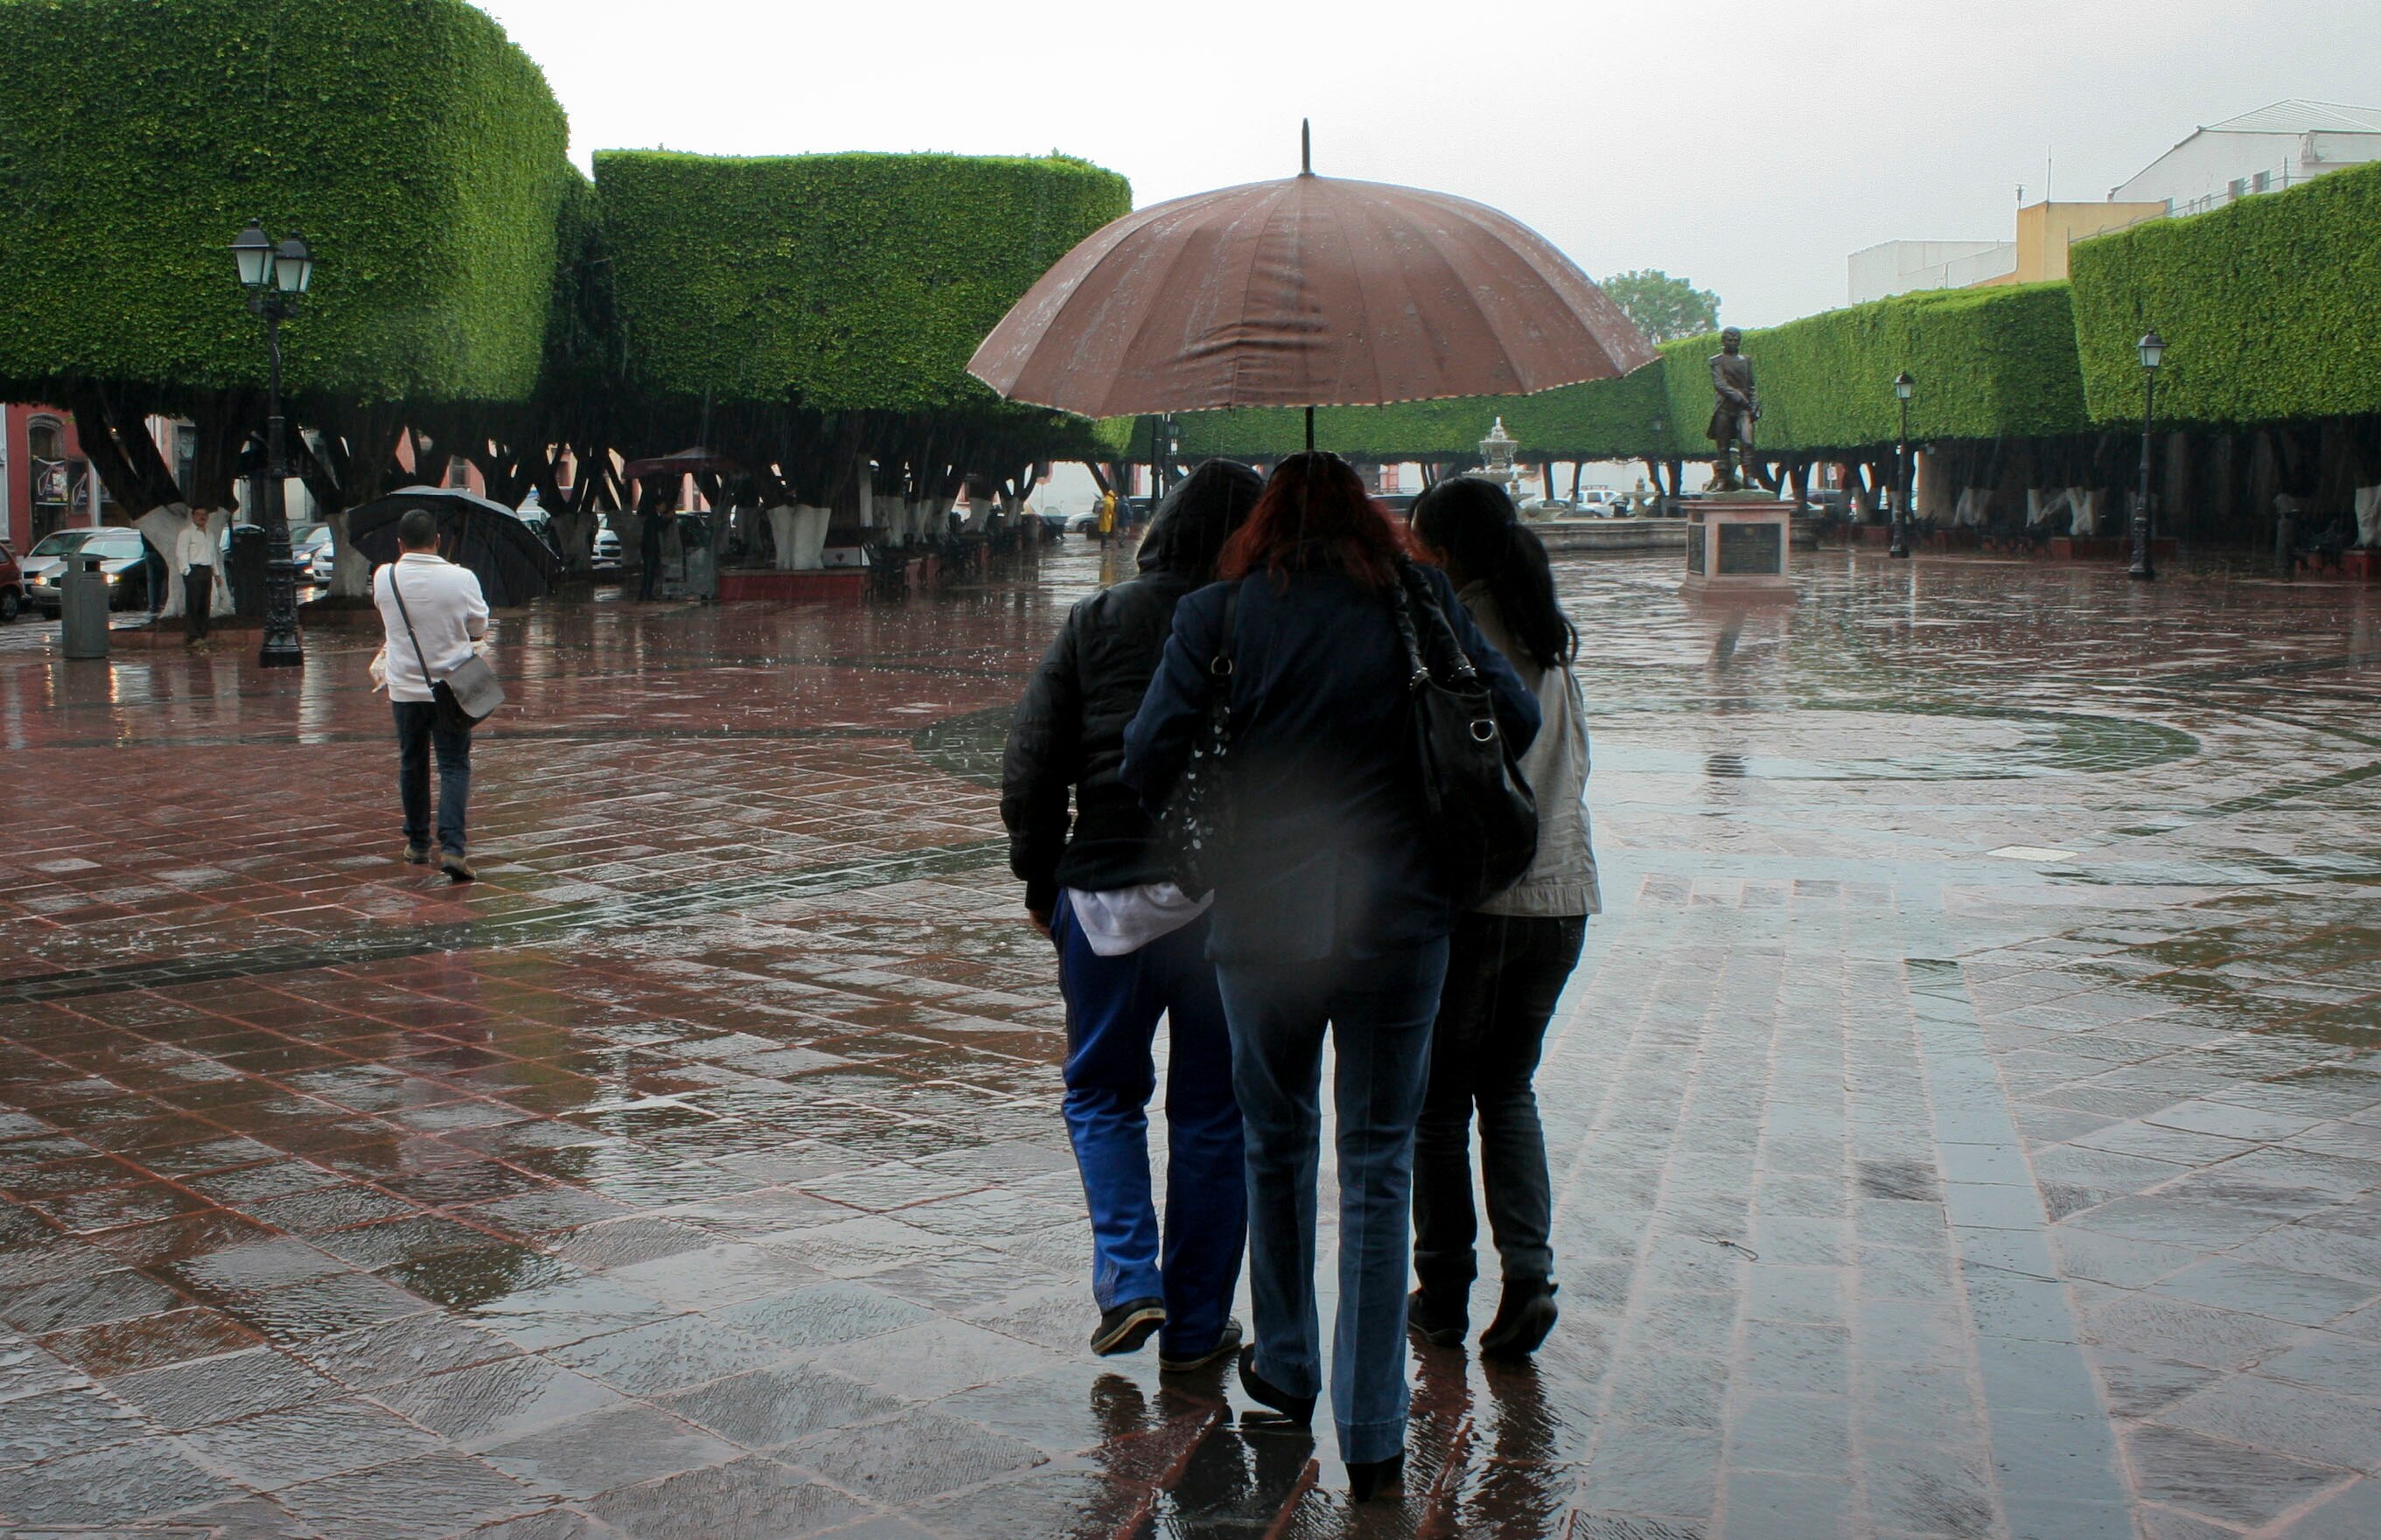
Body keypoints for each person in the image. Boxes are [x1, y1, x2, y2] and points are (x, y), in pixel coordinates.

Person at [1122, 453, 1538, 1501]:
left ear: (1262, 526)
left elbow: (1142, 759)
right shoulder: (1417, 598)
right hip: (1401, 920)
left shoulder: (1216, 617)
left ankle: (1288, 1366)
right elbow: (1512, 721)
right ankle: (1371, 1426)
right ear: (1368, 520)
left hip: (1263, 922)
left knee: (1275, 1144)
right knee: (1378, 1161)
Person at [1003, 460, 1265, 1372]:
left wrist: (1041, 884)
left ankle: (1128, 1279)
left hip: (1102, 895)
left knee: (1103, 1094)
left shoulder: (1097, 619)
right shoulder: (1254, 623)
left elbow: (1031, 765)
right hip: (1220, 905)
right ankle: (1196, 1329)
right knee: (1210, 1113)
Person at [1405, 477, 1601, 1361]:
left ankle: (1442, 1288)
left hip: (1483, 900)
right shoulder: (1551, 638)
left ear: (1442, 550)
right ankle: (1530, 1273)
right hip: (1564, 899)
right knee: (1509, 1089)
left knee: (1440, 1103)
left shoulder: (1457, 635)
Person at [373, 509, 488, 882]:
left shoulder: (384, 577)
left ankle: (418, 843)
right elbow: (478, 625)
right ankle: (453, 848)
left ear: (399, 543)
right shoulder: (462, 577)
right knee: (454, 765)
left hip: (405, 688)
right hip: (452, 687)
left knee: (412, 762)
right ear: (437, 540)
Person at [174, 511, 215, 644]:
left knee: (205, 603)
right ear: (193, 516)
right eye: (198, 514)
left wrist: (217, 573)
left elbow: (212, 554)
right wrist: (187, 571)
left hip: (206, 570)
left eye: (205, 514)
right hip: (193, 570)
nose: (202, 517)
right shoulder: (186, 533)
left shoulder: (210, 534)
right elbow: (181, 552)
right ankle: (193, 635)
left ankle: (202, 634)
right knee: (194, 603)